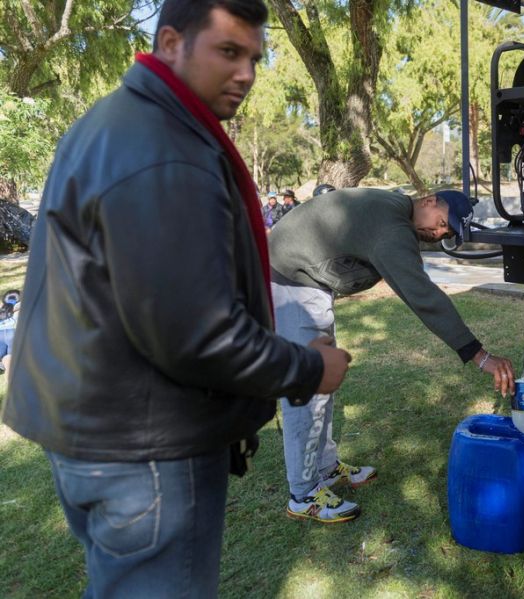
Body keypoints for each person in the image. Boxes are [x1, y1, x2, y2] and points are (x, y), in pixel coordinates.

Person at [0, 0, 352, 595]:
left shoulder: (112, 121)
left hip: (89, 430)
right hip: (145, 451)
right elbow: (196, 335)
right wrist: (309, 367)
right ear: (169, 43)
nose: (246, 74)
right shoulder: (165, 149)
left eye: (254, 58)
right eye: (228, 51)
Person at [268, 187, 516, 522]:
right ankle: (303, 494)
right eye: (442, 222)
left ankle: (324, 468)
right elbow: (422, 296)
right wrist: (479, 355)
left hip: (303, 278)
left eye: (447, 232)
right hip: (286, 275)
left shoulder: (397, 208)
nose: (439, 233)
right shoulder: (391, 229)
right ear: (428, 201)